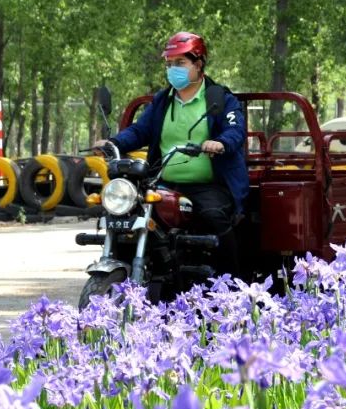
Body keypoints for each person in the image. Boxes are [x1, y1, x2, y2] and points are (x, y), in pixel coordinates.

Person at [94, 31, 248, 277]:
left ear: (198, 65)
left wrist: (219, 143)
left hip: (208, 185)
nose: (172, 69)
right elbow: (139, 130)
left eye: (180, 63)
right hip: (163, 184)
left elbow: (235, 130)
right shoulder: (163, 100)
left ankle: (233, 284)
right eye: (169, 64)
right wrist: (113, 143)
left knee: (214, 218)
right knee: (128, 214)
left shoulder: (219, 98)